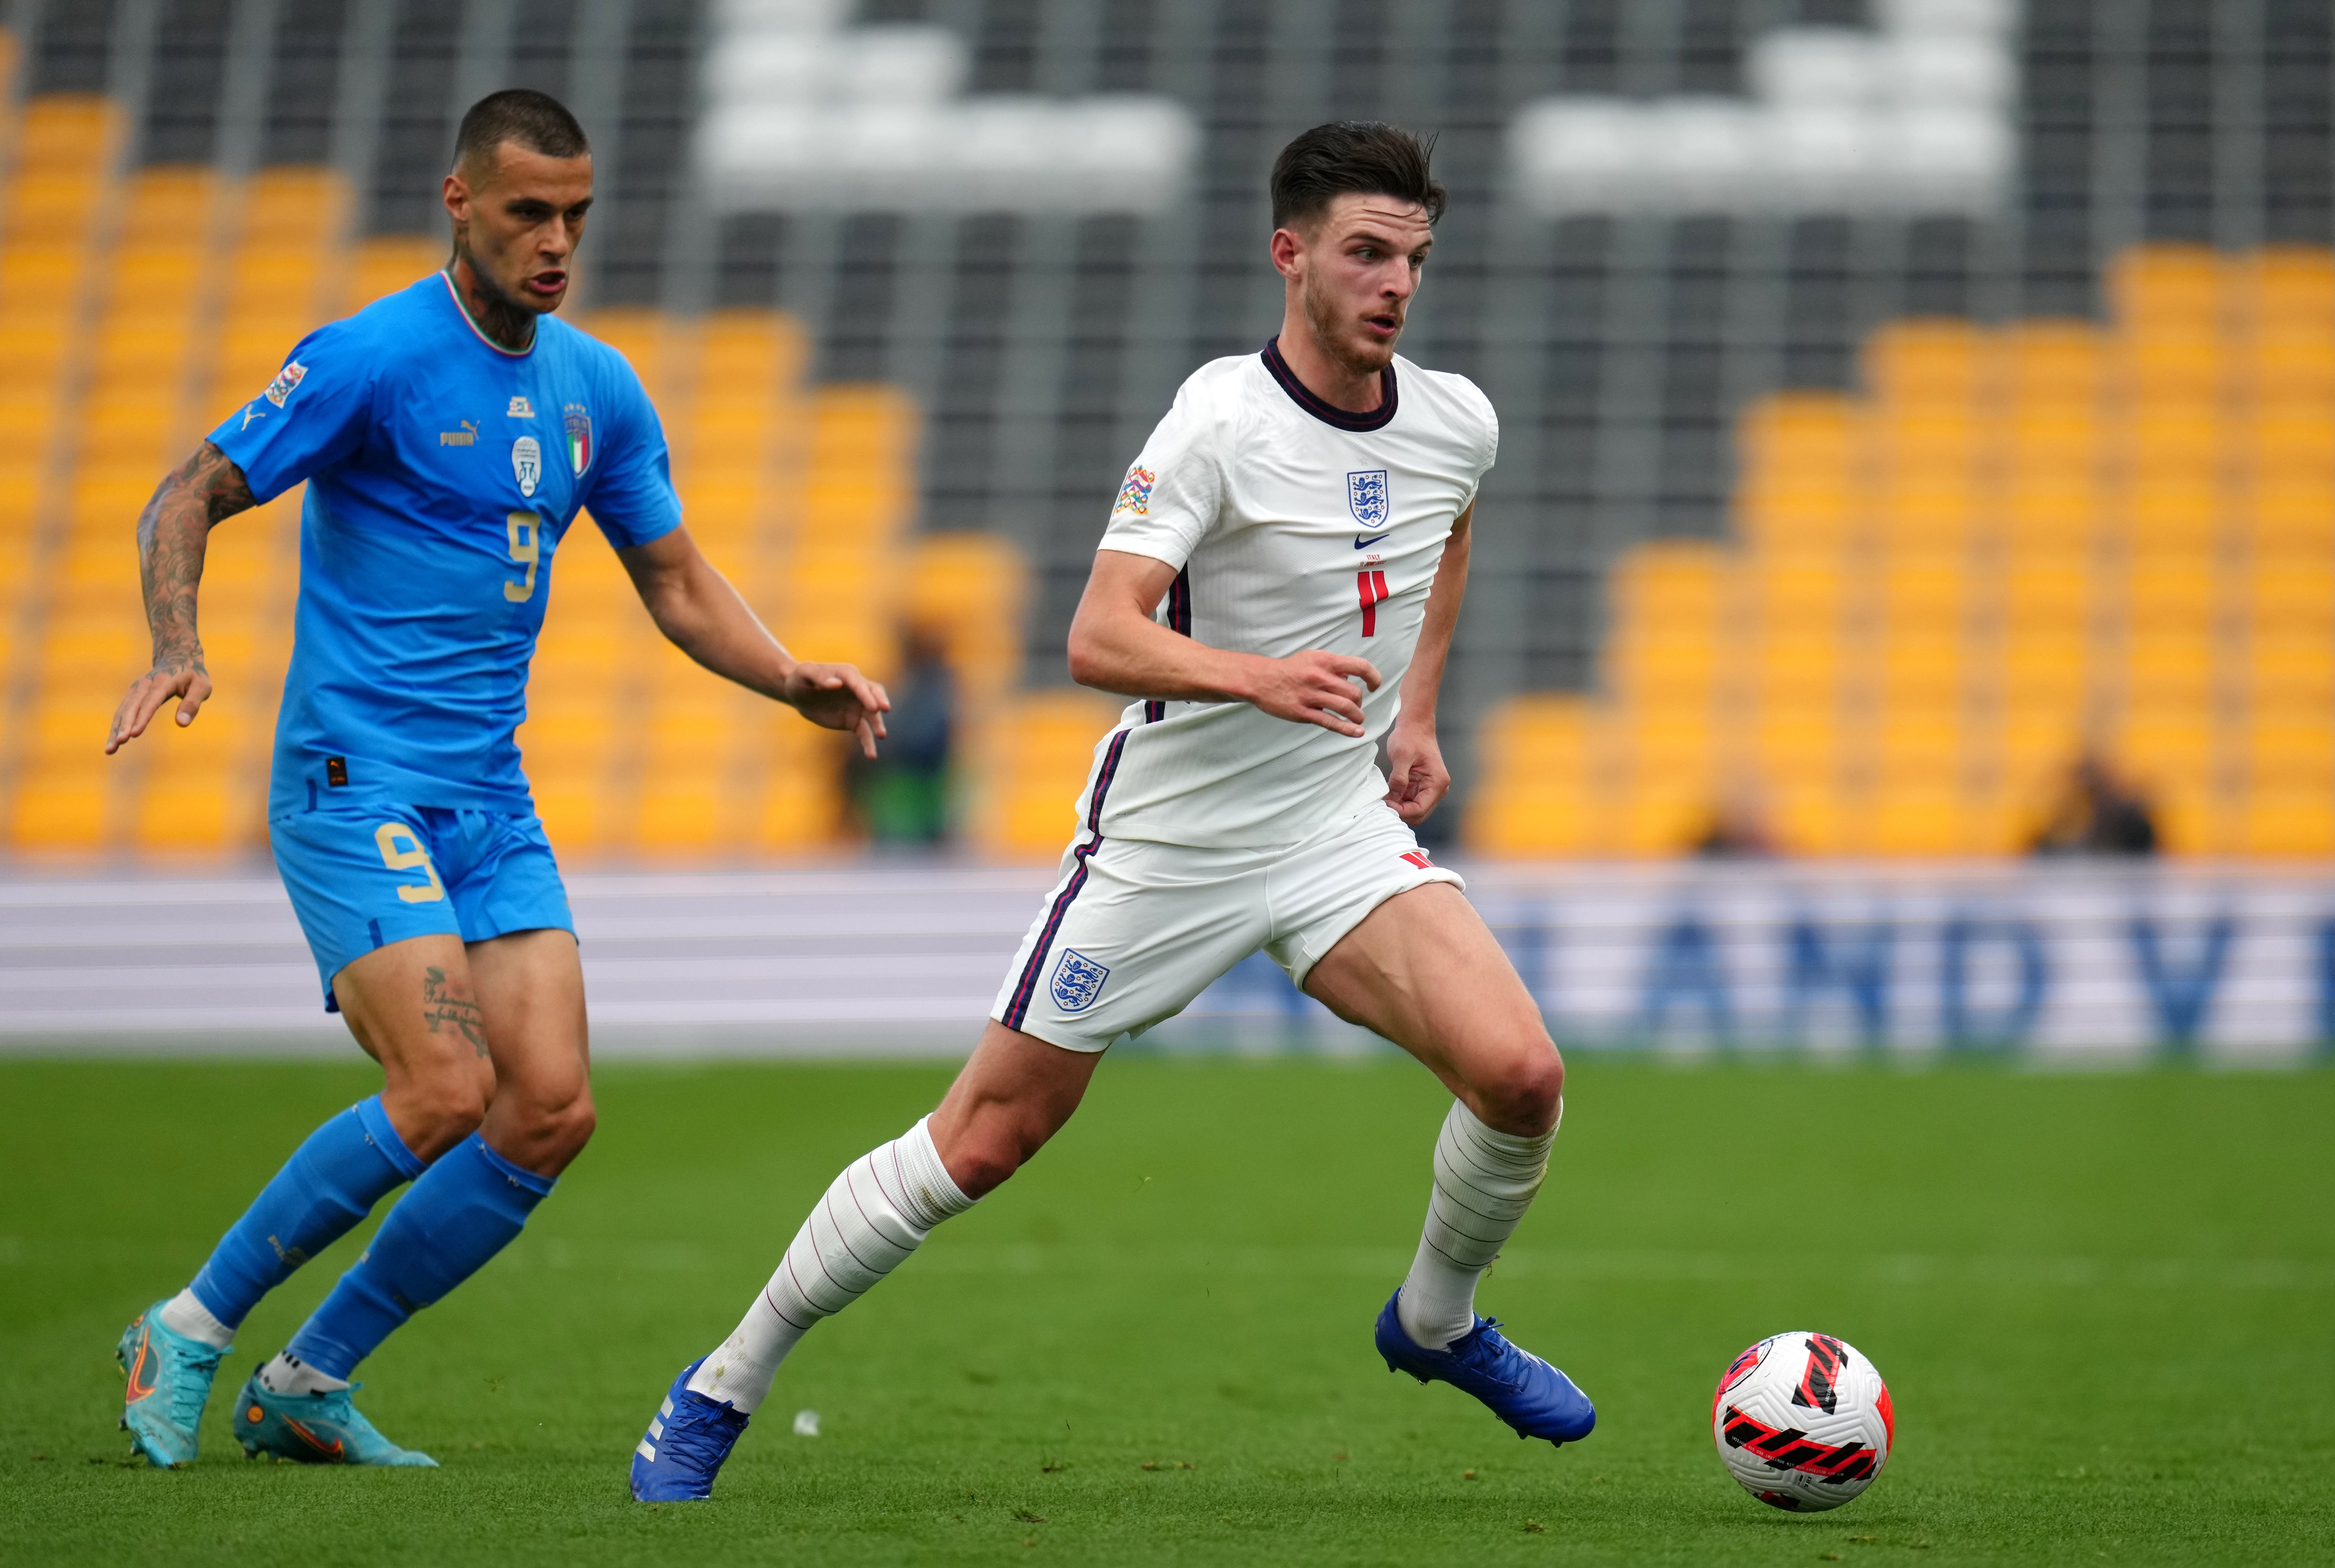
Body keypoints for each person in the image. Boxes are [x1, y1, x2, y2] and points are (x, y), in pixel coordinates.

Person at [628, 121, 1592, 1503]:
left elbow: (1448, 527)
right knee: (983, 1142)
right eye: (1366, 254)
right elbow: (1095, 636)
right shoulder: (1219, 419)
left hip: (1330, 832)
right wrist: (1256, 674)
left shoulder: (1456, 419)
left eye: (1415, 259)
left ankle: (1435, 1319)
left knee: (1523, 1076)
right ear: (1291, 256)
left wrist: (1418, 711)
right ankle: (724, 1377)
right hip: (1171, 841)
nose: (1395, 284)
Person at [106, 89, 888, 1469]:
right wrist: (178, 642)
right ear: (460, 201)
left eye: (577, 215)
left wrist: (789, 677)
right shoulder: (370, 358)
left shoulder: (597, 385)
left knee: (549, 1109)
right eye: (530, 210)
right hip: (356, 778)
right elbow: (186, 493)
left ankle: (310, 1379)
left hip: (489, 798)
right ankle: (186, 1324)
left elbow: (673, 577)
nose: (557, 241)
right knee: (444, 1088)